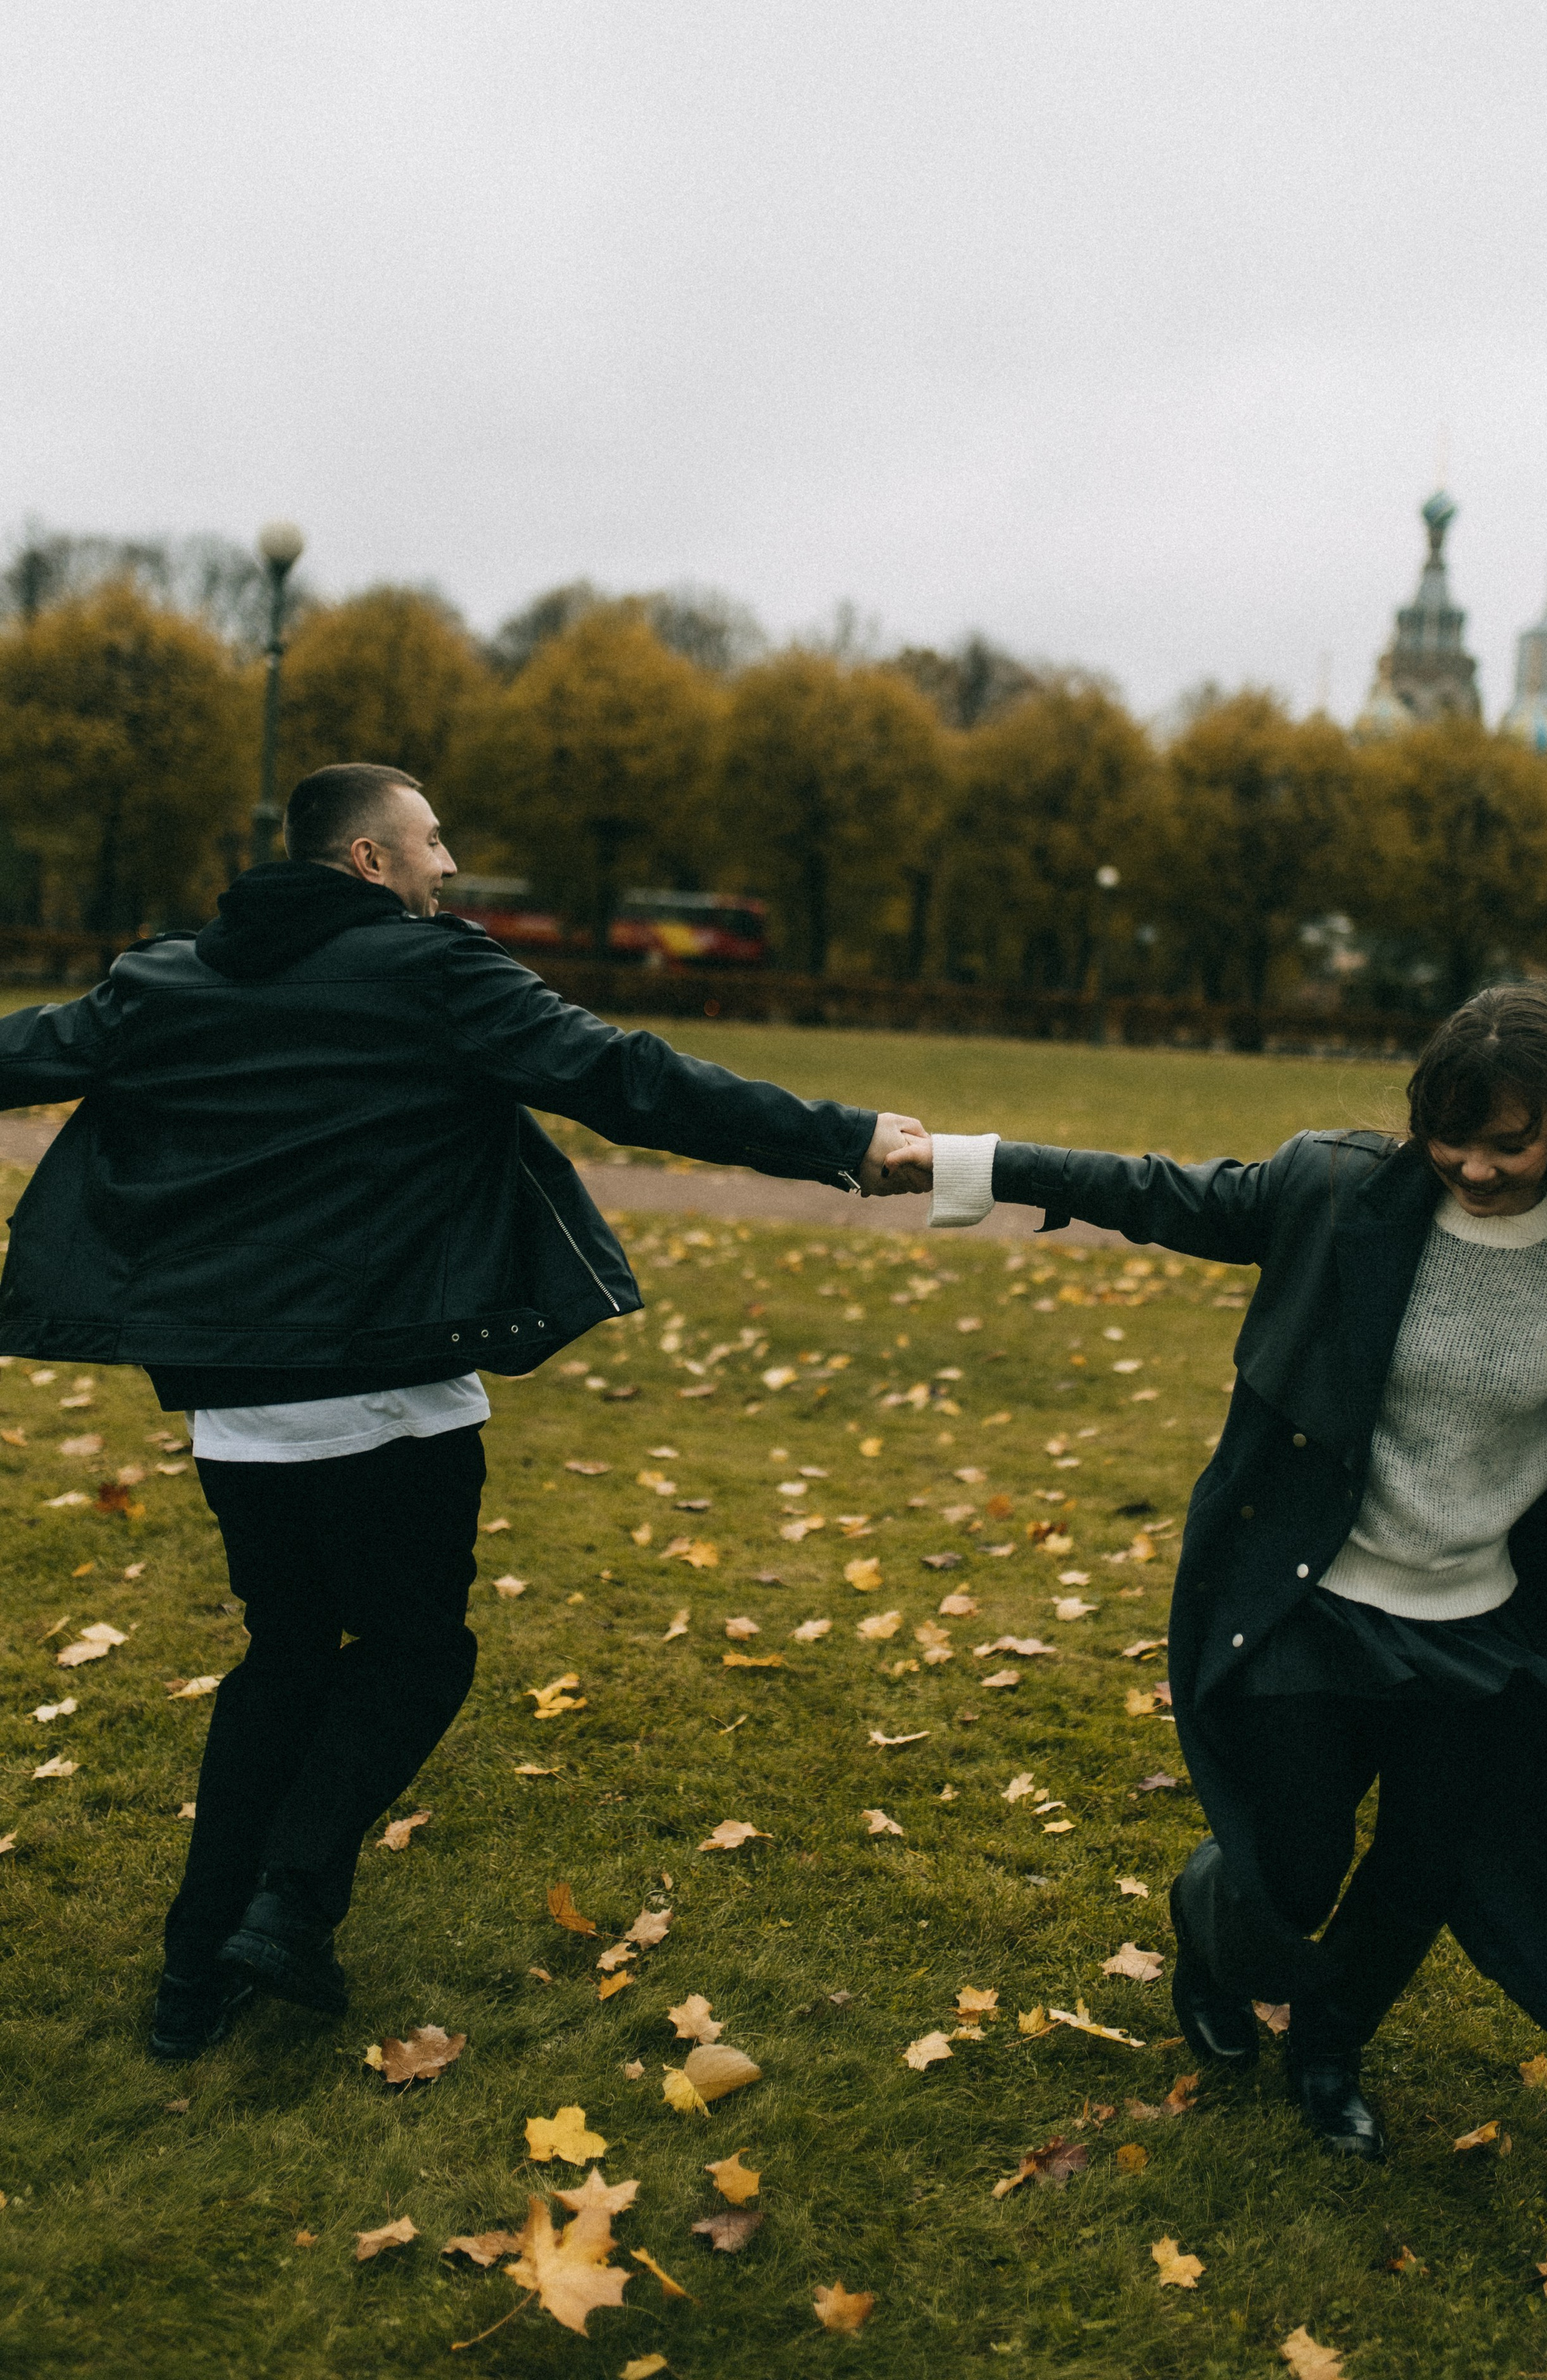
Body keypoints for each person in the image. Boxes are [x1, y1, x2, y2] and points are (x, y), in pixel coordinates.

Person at [0, 763, 927, 2062]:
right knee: (418, 1650)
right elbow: (628, 1079)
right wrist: (845, 1136)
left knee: (286, 1651)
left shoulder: (167, 977)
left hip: (239, 1403)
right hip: (389, 1390)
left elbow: (22, 1050)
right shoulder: (435, 971)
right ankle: (290, 1899)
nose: (451, 868)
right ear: (371, 861)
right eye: (434, 844)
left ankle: (188, 1979)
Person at [892, 988, 1547, 2155]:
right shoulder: (1340, 1195)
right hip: (1312, 1602)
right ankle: (1208, 1921)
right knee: (1289, 1872)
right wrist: (963, 1162)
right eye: (1451, 1136)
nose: (1474, 1168)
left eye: (1508, 1142)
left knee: (1421, 1869)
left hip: (1476, 1624)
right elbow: (1159, 1192)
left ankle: (1329, 2050)